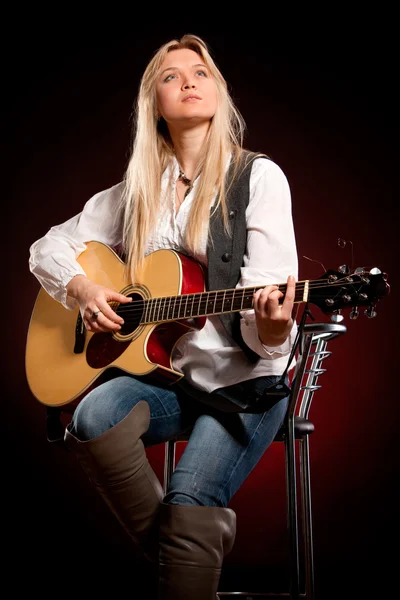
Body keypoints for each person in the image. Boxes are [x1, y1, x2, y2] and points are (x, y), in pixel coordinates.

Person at [28, 34, 299, 600]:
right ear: (155, 103)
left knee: (187, 500)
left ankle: (183, 552)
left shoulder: (258, 178)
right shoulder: (137, 192)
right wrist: (81, 289)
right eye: (171, 77)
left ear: (219, 92)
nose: (188, 82)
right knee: (93, 414)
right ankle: (183, 557)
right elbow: (46, 248)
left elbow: (266, 313)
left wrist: (274, 330)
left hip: (245, 385)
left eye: (200, 72)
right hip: (171, 381)